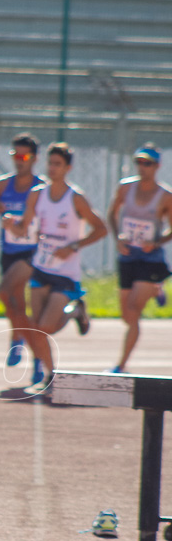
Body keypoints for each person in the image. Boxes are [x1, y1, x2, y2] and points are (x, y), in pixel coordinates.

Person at [2, 142, 107, 394]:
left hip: (65, 274)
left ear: (68, 168)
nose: (52, 168)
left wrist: (73, 246)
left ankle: (74, 311)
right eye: (50, 163)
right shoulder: (37, 194)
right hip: (41, 268)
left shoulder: (76, 198)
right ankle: (50, 377)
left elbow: (101, 229)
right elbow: (24, 229)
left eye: (58, 164)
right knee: (35, 329)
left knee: (45, 327)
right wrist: (10, 225)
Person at [0, 133, 47, 382]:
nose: (19, 160)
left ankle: (25, 344)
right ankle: (33, 351)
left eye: (24, 156)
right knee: (15, 305)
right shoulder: (1, 185)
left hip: (32, 253)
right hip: (9, 252)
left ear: (35, 158)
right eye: (15, 155)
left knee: (5, 292)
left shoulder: (42, 188)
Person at [107, 144, 172, 373]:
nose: (143, 167)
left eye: (148, 163)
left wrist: (156, 242)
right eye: (140, 162)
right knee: (126, 315)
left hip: (150, 260)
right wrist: (118, 238)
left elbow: (171, 230)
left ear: (157, 167)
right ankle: (156, 289)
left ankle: (121, 365)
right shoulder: (126, 188)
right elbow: (112, 213)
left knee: (134, 311)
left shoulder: (166, 196)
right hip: (127, 258)